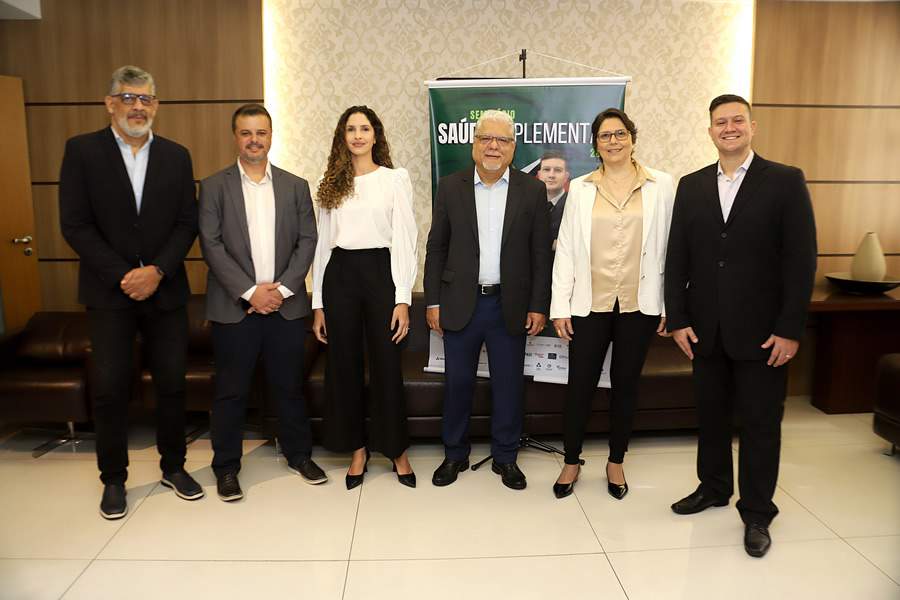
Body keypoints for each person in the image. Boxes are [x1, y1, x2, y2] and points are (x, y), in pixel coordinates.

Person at [665, 94, 817, 557]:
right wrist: (678, 319)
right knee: (710, 417)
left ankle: (756, 511)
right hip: (704, 330)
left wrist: (790, 328)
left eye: (736, 121)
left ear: (752, 127)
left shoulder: (785, 182)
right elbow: (677, 259)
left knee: (760, 424)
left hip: (764, 332)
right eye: (719, 122)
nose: (728, 128)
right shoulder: (690, 186)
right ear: (709, 131)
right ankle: (713, 487)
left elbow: (800, 259)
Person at [59, 65, 202, 519]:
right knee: (110, 388)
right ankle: (114, 479)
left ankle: (173, 467)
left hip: (166, 291)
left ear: (156, 105)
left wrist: (157, 270)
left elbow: (186, 223)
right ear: (110, 103)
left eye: (145, 98)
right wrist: (125, 274)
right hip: (109, 292)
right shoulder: (82, 152)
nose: (136, 106)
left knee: (172, 385)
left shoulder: (178, 156)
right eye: (127, 97)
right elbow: (75, 224)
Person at [199, 103, 327, 501]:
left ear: (272, 136)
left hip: (285, 308)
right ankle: (226, 468)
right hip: (234, 308)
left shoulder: (295, 185)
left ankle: (299, 455)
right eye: (246, 133)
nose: (254, 140)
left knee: (288, 387)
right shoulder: (214, 185)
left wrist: (281, 290)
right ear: (235, 137)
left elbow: (308, 241)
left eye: (261, 132)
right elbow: (211, 244)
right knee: (231, 391)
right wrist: (251, 292)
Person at [550, 108, 675, 500]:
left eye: (620, 134)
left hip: (640, 305)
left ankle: (616, 460)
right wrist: (560, 306)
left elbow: (672, 249)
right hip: (590, 303)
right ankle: (572, 460)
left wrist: (672, 303)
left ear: (632, 138)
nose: (614, 141)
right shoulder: (582, 188)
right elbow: (566, 250)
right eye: (605, 136)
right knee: (580, 386)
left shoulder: (662, 185)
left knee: (626, 385)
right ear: (596, 144)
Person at [424, 109, 551, 490]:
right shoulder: (450, 186)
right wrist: (433, 302)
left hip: (508, 304)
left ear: (513, 148)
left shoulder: (532, 190)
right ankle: (454, 454)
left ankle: (506, 457)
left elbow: (541, 253)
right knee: (458, 383)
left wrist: (539, 305)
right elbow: (437, 248)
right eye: (485, 139)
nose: (493, 146)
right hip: (461, 302)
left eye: (502, 140)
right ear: (474, 145)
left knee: (509, 385)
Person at [311, 105, 418, 490]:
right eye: (351, 129)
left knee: (387, 364)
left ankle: (396, 450)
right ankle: (357, 449)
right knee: (344, 366)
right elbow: (323, 245)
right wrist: (318, 303)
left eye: (365, 128)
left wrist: (402, 297)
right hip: (340, 275)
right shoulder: (331, 182)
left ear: (376, 135)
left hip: (381, 275)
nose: (358, 135)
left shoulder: (394, 179)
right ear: (343, 136)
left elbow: (406, 239)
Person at [536, 150, 570, 245]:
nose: (551, 175)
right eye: (546, 169)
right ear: (539, 175)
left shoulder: (574, 205)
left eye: (558, 170)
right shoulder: (527, 204)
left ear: (566, 176)